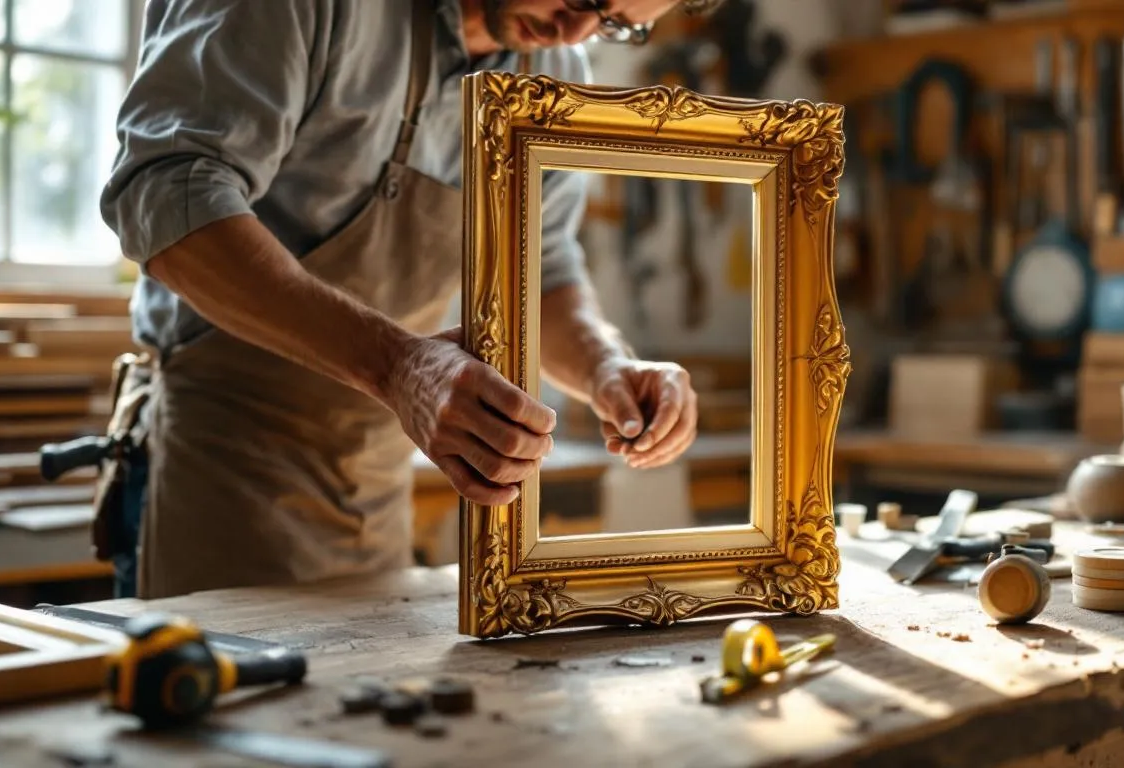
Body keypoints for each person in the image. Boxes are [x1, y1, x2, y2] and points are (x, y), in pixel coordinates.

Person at [98, 0, 722, 600]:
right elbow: (168, 194)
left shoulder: (552, 71)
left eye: (615, 25)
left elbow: (543, 267)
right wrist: (399, 366)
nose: (574, 29)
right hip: (219, 462)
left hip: (374, 482)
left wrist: (605, 366)